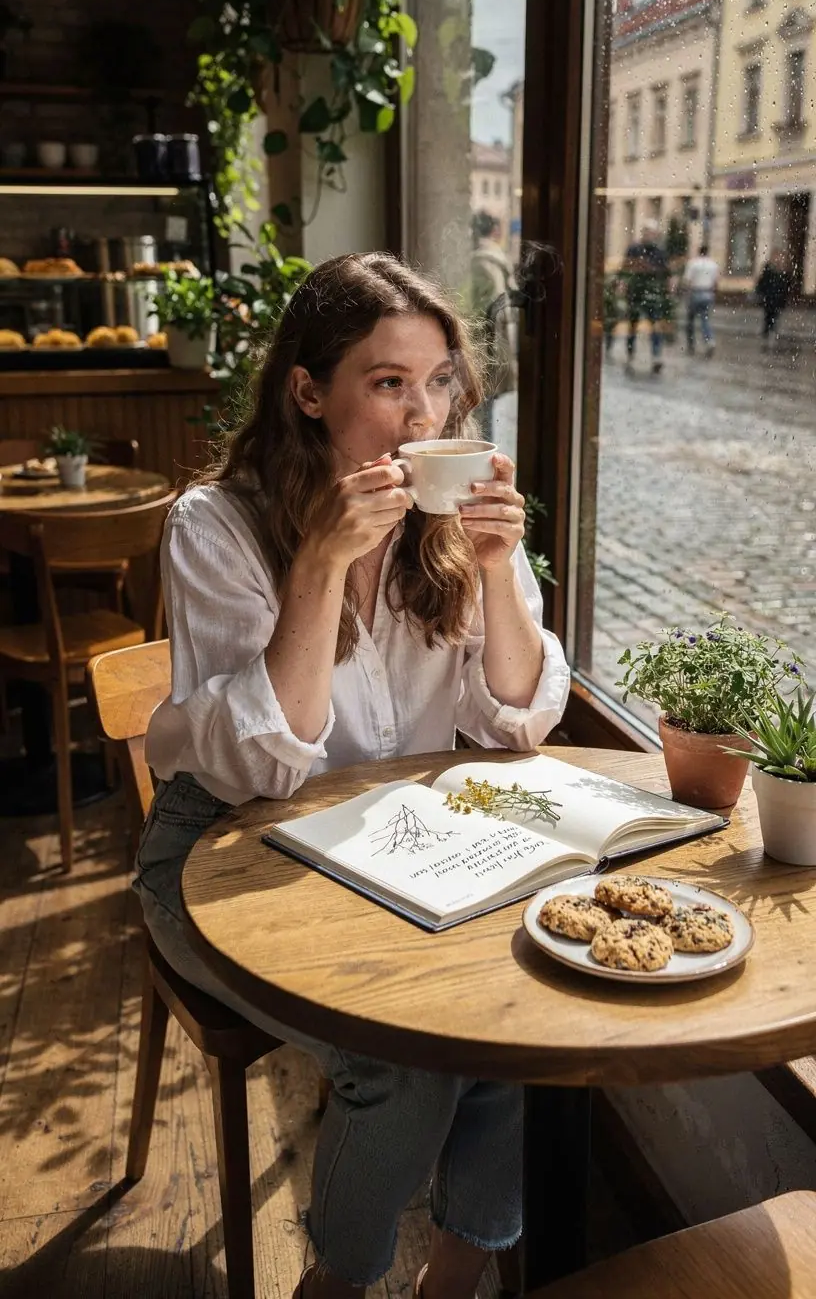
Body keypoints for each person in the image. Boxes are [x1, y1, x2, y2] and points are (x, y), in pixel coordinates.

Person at [137, 252, 570, 1299]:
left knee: (519, 1013)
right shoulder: (216, 525)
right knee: (404, 1064)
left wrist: (499, 569)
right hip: (222, 854)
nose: (423, 415)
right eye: (387, 383)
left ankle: (454, 1276)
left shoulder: (444, 528)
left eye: (440, 383)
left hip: (389, 851)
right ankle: (335, 1284)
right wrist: (322, 562)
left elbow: (516, 719)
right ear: (308, 391)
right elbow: (259, 762)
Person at [470, 212, 517, 439]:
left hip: (482, 349)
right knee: (483, 409)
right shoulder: (497, 259)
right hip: (493, 347)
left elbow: (490, 309)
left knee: (481, 412)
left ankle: (483, 456)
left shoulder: (481, 262)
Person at [622, 218, 669, 374]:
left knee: (655, 325)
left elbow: (665, 272)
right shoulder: (634, 249)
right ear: (643, 232)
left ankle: (656, 357)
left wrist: (666, 288)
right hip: (635, 294)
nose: (650, 235)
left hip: (652, 296)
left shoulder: (659, 252)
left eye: (652, 232)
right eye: (647, 231)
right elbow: (626, 267)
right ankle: (630, 355)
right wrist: (624, 284)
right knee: (632, 326)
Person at [682, 243, 719, 356]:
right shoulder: (713, 265)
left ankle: (691, 344)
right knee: (705, 319)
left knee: (690, 320)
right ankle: (709, 341)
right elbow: (716, 282)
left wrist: (686, 294)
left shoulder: (693, 263)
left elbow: (687, 280)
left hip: (695, 292)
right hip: (708, 293)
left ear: (699, 252)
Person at [755, 249, 792, 353]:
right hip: (768, 298)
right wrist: (760, 293)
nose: (777, 259)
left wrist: (785, 297)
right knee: (768, 316)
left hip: (778, 299)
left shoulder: (784, 271)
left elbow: (787, 285)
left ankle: (771, 333)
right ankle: (767, 333)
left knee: (774, 316)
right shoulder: (768, 269)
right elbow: (762, 282)